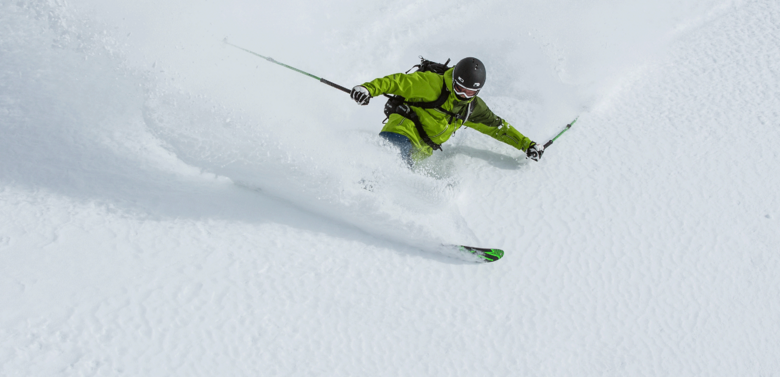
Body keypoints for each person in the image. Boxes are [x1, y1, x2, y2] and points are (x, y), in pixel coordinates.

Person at [349, 57, 544, 166]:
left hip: (421, 151)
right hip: (402, 132)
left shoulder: (472, 108)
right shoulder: (432, 84)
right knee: (384, 164)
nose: (463, 95)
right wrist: (368, 89)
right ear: (454, 80)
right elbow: (397, 82)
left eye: (470, 92)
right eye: (459, 88)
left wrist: (526, 145)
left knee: (400, 178)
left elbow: (497, 127)